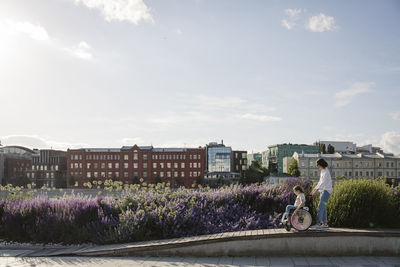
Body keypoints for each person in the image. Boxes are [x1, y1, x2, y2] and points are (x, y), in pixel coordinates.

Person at [311, 158, 333, 229]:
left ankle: (319, 223)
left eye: (318, 165)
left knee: (320, 207)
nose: (317, 167)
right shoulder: (323, 171)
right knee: (323, 207)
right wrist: (314, 189)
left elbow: (323, 183)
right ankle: (325, 223)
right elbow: (320, 182)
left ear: (321, 165)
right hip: (323, 191)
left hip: (326, 191)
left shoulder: (326, 172)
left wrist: (315, 190)